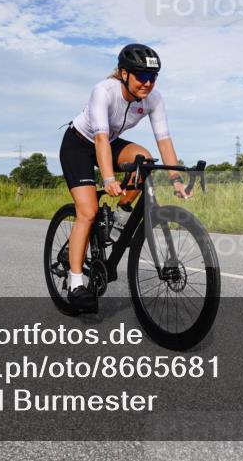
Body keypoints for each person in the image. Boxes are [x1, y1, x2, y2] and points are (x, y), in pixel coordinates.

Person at [59, 44, 190, 313]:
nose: (148, 83)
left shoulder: (154, 99)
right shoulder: (103, 91)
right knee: (88, 211)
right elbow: (100, 139)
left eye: (153, 77)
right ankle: (75, 283)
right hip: (80, 145)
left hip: (112, 142)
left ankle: (120, 215)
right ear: (123, 73)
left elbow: (164, 140)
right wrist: (108, 178)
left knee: (147, 161)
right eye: (141, 76)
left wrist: (176, 179)